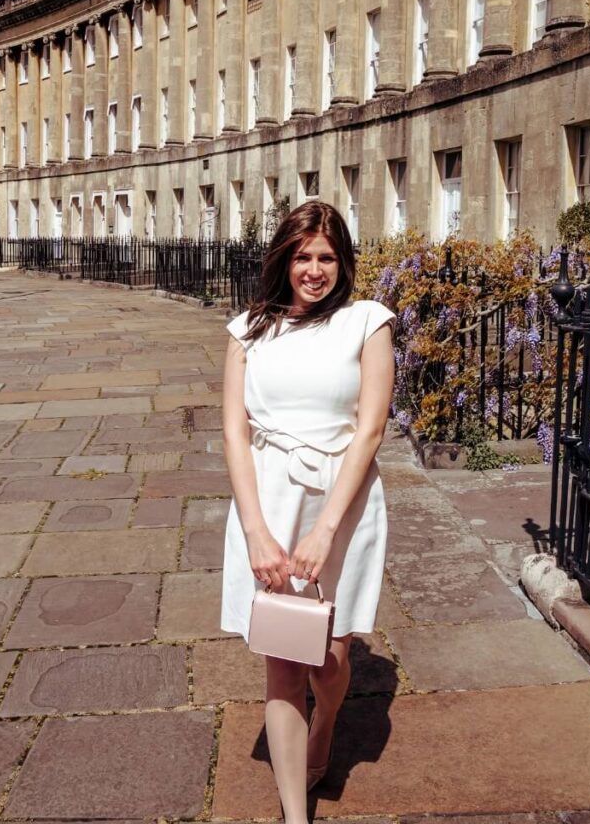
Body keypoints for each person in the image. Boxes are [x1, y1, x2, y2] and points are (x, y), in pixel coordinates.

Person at [221, 200, 395, 824]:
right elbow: (235, 435)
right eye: (302, 256)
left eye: (325, 257)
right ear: (284, 259)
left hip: (341, 504)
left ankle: (326, 727)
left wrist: (325, 530)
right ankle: (296, 815)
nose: (313, 270)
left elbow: (370, 430)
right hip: (270, 501)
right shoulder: (248, 331)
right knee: (282, 662)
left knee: (331, 655)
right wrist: (256, 533)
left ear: (342, 262)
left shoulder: (367, 323)